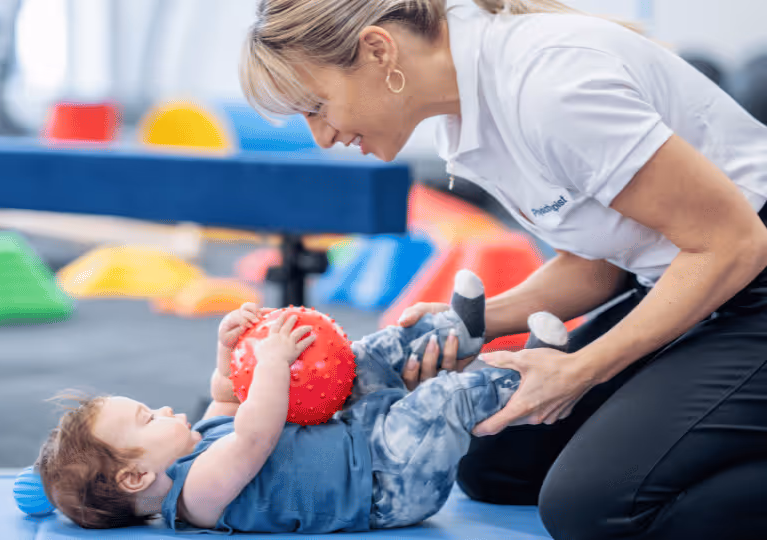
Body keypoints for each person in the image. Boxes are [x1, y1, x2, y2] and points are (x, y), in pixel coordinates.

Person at [239, 1, 767, 539]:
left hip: (745, 271)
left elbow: (735, 243)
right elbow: (600, 262)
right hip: (701, 280)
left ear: (379, 50)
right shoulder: (463, 119)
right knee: (495, 463)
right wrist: (474, 321)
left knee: (598, 508)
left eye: (316, 106)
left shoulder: (550, 86)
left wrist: (580, 369)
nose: (321, 137)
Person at [35, 272, 569, 532]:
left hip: (358, 434)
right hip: (388, 486)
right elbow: (254, 435)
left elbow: (228, 397)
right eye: (147, 419)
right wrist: (271, 361)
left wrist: (229, 346)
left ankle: (462, 331)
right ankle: (529, 370)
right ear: (134, 478)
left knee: (368, 356)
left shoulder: (194, 447)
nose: (166, 412)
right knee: (444, 399)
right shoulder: (197, 497)